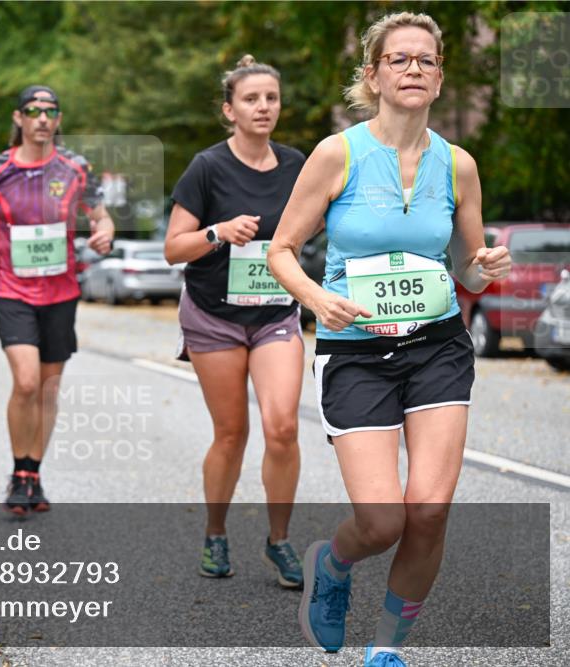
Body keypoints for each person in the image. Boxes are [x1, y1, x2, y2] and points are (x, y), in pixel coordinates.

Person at [267, 12, 512, 666]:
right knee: (383, 521)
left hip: (437, 346)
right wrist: (318, 298)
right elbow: (281, 251)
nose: (413, 69)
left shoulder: (458, 166)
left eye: (425, 61)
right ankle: (335, 562)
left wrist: (479, 269)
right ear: (372, 75)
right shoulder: (337, 154)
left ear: (438, 80)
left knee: (428, 510)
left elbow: (465, 267)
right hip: (356, 353)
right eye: (399, 59)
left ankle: (385, 647)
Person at [165, 55, 307, 585]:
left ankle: (279, 540)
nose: (263, 106)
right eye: (251, 98)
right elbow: (173, 249)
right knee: (231, 433)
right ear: (230, 109)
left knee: (283, 428)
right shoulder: (207, 167)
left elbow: (322, 222)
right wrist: (218, 232)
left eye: (271, 97)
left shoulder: (297, 165)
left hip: (274, 313)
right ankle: (216, 533)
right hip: (214, 317)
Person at [0, 85, 114, 515]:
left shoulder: (76, 167)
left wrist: (105, 231)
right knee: (27, 381)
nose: (42, 118)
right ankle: (18, 472)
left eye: (50, 111)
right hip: (11, 289)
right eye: (33, 110)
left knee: (48, 390)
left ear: (58, 120)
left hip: (61, 291)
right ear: (19, 118)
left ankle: (33, 473)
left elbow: (100, 215)